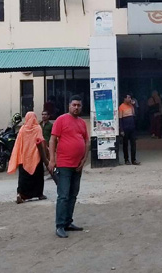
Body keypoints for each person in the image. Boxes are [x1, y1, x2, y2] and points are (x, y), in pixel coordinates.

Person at [48, 95, 90, 238]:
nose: (76, 107)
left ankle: (68, 222)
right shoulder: (61, 120)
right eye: (74, 105)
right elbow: (52, 140)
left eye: (79, 105)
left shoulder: (82, 123)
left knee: (73, 195)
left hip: (78, 165)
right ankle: (60, 225)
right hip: (64, 164)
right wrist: (52, 159)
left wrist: (84, 160)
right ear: (69, 106)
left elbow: (87, 141)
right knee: (63, 196)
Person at [7, 112, 50, 203]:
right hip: (36, 156)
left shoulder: (22, 129)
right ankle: (39, 194)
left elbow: (18, 143)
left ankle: (21, 194)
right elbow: (41, 140)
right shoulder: (38, 128)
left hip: (24, 157)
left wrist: (17, 155)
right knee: (38, 176)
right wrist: (45, 153)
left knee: (23, 177)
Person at [119, 93, 141, 165]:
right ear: (124, 99)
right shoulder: (121, 107)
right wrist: (121, 130)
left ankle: (133, 159)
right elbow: (120, 119)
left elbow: (136, 114)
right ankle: (126, 159)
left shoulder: (131, 106)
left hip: (132, 127)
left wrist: (134, 105)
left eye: (130, 98)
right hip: (125, 128)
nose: (130, 99)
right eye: (128, 98)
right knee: (125, 144)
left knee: (133, 144)